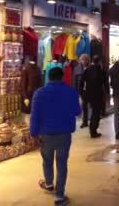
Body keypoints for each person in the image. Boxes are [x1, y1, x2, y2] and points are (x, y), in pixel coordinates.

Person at [30, 67, 81, 206]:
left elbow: (35, 116)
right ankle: (59, 196)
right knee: (62, 164)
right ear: (62, 77)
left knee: (47, 160)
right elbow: (77, 111)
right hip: (64, 134)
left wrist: (33, 133)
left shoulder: (39, 93)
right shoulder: (71, 92)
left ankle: (48, 183)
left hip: (45, 134)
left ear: (49, 78)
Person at [79, 55, 109, 138]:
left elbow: (81, 83)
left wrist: (82, 93)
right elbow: (105, 83)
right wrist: (107, 93)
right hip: (98, 94)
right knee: (96, 113)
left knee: (91, 111)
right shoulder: (101, 71)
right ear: (99, 62)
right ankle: (93, 130)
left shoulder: (87, 70)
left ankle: (92, 129)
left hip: (88, 94)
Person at [73, 54, 90, 129]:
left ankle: (91, 120)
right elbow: (75, 81)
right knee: (84, 106)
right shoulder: (77, 69)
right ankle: (85, 121)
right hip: (82, 90)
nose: (84, 61)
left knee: (91, 106)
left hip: (91, 90)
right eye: (82, 60)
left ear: (88, 60)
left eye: (85, 59)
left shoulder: (91, 68)